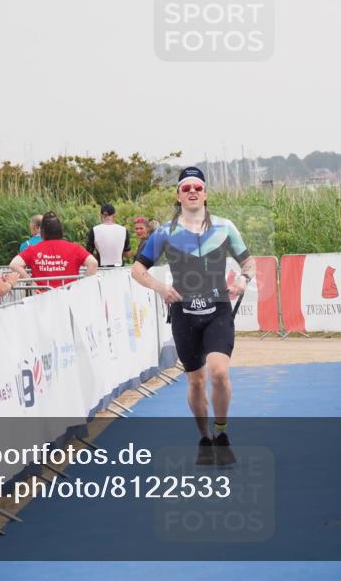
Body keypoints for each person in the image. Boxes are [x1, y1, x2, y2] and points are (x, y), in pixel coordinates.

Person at [131, 167, 254, 467]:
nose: (192, 191)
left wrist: (243, 280)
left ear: (205, 193)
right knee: (196, 382)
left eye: (197, 186)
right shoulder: (165, 232)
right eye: (186, 188)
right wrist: (160, 287)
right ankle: (204, 438)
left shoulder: (225, 227)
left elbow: (248, 261)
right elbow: (137, 270)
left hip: (218, 311)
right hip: (184, 315)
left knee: (219, 373)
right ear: (178, 195)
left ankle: (222, 433)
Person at [10, 211, 97, 288]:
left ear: (42, 231)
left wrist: (32, 283)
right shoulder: (75, 248)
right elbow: (93, 263)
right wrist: (80, 285)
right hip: (69, 297)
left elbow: (14, 265)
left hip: (42, 298)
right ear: (60, 230)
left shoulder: (32, 249)